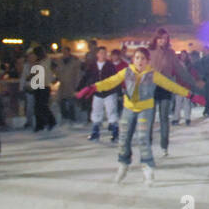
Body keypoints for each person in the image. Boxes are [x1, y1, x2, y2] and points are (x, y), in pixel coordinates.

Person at [76, 47, 202, 184]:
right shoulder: (127, 72)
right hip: (129, 108)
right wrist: (93, 87)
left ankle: (147, 167)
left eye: (143, 58)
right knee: (123, 138)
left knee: (143, 138)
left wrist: (190, 95)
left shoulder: (153, 74)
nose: (139, 61)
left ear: (148, 60)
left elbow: (171, 85)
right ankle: (123, 164)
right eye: (137, 58)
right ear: (133, 60)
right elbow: (111, 81)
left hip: (145, 109)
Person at [146, 28, 198, 158]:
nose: (163, 41)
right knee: (150, 118)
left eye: (165, 39)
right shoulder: (149, 52)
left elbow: (180, 70)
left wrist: (194, 81)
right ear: (156, 39)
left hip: (166, 86)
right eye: (161, 38)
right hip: (150, 87)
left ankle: (164, 146)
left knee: (164, 118)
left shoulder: (170, 53)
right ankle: (147, 145)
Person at [80, 46, 122, 143]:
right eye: (101, 53)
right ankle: (95, 132)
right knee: (96, 112)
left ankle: (115, 133)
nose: (103, 55)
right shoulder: (92, 66)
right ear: (97, 54)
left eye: (105, 53)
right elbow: (86, 77)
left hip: (109, 92)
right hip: (97, 93)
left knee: (111, 111)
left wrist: (118, 92)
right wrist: (81, 88)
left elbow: (116, 79)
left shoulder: (110, 65)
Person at [26, 45, 58, 133]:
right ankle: (40, 125)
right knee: (38, 107)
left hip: (45, 85)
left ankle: (51, 121)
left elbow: (53, 68)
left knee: (42, 106)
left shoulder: (47, 61)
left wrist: (54, 77)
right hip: (38, 85)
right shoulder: (38, 62)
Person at [53, 45, 82, 124]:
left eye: (66, 51)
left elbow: (77, 74)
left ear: (69, 52)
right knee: (61, 101)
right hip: (63, 85)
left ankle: (72, 118)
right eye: (63, 52)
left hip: (71, 84)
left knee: (71, 101)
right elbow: (57, 71)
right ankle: (65, 117)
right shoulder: (60, 61)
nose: (64, 53)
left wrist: (77, 85)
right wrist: (57, 78)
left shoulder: (75, 61)